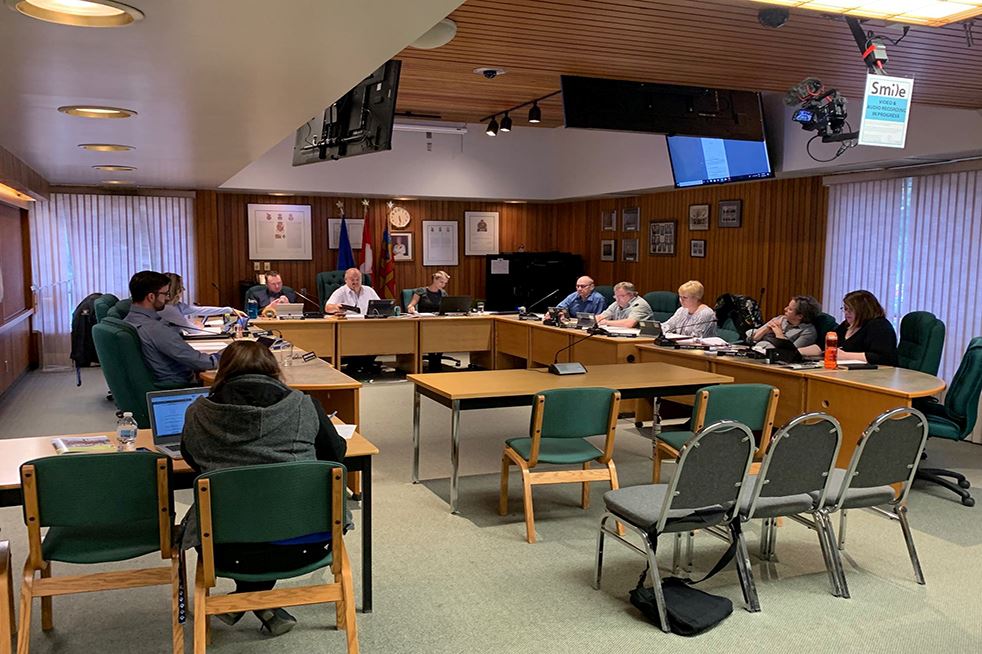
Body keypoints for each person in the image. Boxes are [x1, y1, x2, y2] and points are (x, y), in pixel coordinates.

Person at [179, 340, 347, 637]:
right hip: (304, 542)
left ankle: (244, 600)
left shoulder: (197, 412)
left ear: (223, 372)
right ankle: (258, 604)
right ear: (273, 369)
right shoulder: (304, 405)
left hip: (225, 546)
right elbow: (335, 455)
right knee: (274, 513)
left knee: (248, 516)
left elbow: (193, 461)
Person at [123, 270, 219, 385]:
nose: (168, 298)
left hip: (156, 382)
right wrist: (228, 354)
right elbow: (203, 362)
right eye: (165, 294)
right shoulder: (155, 329)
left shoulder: (128, 320)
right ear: (151, 297)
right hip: (179, 386)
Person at [799, 289, 898, 365]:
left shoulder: (879, 326)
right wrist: (797, 352)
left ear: (863, 310)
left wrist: (845, 356)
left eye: (850, 310)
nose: (846, 313)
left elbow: (882, 357)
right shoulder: (847, 325)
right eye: (845, 309)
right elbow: (823, 346)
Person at [158, 272, 243, 332]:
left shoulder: (176, 305)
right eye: (181, 287)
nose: (184, 290)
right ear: (175, 290)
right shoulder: (168, 309)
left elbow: (200, 310)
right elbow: (194, 330)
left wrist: (229, 310)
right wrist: (198, 326)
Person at [407, 271, 451, 371]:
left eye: (445, 283)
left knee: (443, 334)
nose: (443, 285)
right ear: (435, 280)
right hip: (424, 322)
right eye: (441, 282)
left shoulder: (443, 293)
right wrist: (412, 309)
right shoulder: (421, 291)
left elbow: (447, 307)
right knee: (433, 335)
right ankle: (433, 360)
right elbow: (411, 305)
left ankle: (437, 359)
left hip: (439, 321)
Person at [751, 295, 821, 349]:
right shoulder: (780, 319)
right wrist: (766, 329)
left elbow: (791, 352)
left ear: (800, 316)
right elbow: (751, 340)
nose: (785, 309)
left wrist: (779, 334)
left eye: (790, 309)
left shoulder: (808, 332)